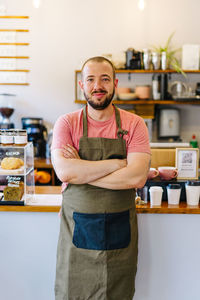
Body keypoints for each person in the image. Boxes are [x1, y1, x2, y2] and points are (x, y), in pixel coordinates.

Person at [51, 56, 151, 300]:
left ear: (115, 83)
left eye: (105, 79)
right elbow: (65, 172)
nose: (98, 86)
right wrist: (117, 164)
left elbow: (137, 177)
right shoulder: (66, 123)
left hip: (120, 235)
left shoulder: (135, 124)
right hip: (77, 236)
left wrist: (82, 172)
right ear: (81, 85)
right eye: (91, 79)